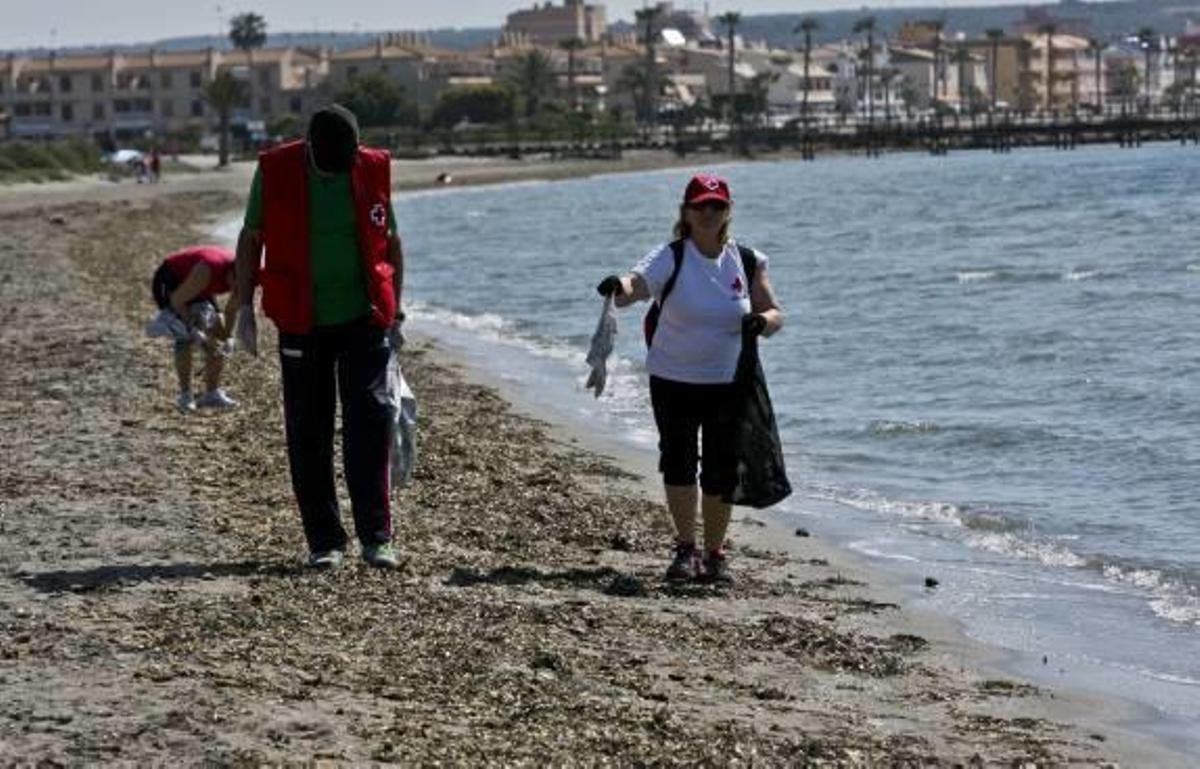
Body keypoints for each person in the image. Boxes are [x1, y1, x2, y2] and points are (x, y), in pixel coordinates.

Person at [233, 103, 406, 571]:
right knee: (308, 430)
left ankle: (377, 538)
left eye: (346, 160)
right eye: (330, 162)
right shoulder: (275, 170)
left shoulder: (370, 167)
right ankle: (325, 541)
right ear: (309, 148)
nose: (338, 169)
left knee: (369, 423)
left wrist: (397, 313)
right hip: (300, 319)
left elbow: (390, 239)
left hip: (363, 316)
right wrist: (243, 306)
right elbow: (251, 238)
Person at [596, 174, 784, 584]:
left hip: (728, 381)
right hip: (673, 378)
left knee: (719, 469)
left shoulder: (748, 260)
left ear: (728, 212)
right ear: (686, 211)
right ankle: (685, 549)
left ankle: (714, 555)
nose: (708, 213)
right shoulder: (672, 256)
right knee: (678, 460)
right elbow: (636, 288)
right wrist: (617, 287)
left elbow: (775, 314)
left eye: (716, 206)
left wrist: (761, 321)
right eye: (700, 206)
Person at [150, 245, 240, 412]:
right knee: (185, 337)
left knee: (218, 334)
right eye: (238, 284)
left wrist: (228, 337)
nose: (239, 289)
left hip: (201, 286)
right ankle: (185, 395)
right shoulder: (208, 269)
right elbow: (177, 300)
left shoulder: (245, 277)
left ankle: (211, 394)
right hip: (171, 280)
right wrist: (193, 328)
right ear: (231, 273)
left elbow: (231, 309)